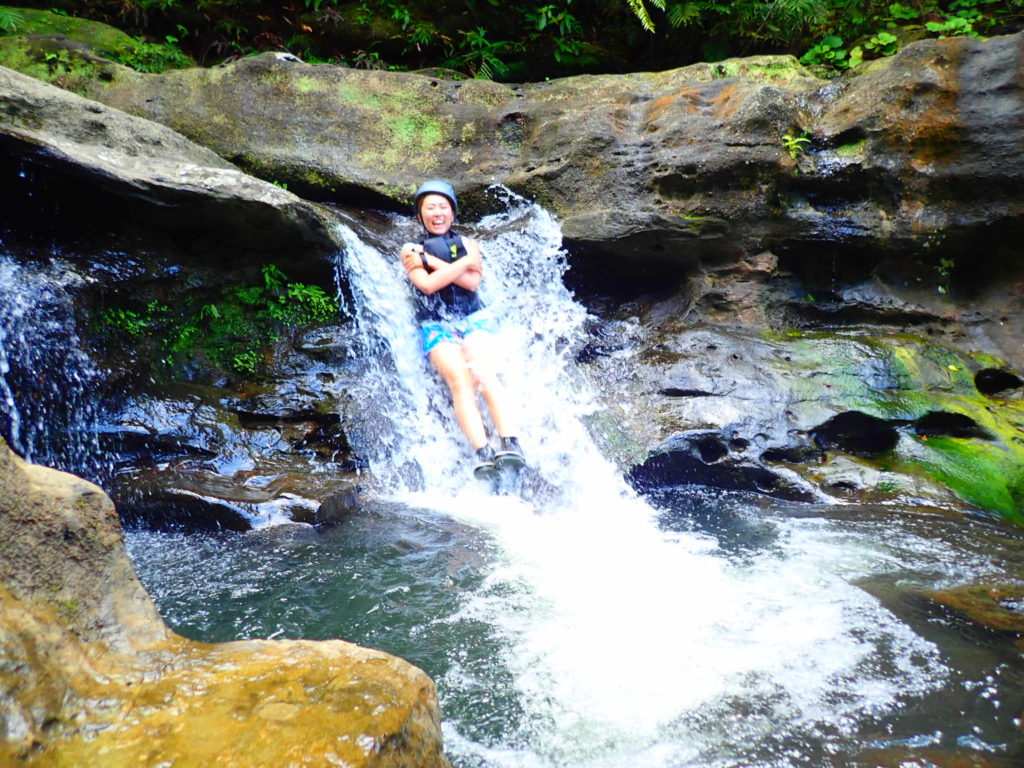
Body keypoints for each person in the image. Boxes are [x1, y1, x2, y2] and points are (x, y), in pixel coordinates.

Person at [400, 180, 525, 481]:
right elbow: (428, 285)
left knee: (482, 370)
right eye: (430, 207)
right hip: (435, 324)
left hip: (473, 320)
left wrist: (429, 260)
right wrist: (462, 264)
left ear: (453, 213)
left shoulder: (468, 244)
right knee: (460, 379)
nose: (437, 213)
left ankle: (510, 443)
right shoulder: (409, 249)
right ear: (421, 215)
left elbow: (472, 284)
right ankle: (483, 453)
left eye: (443, 207)